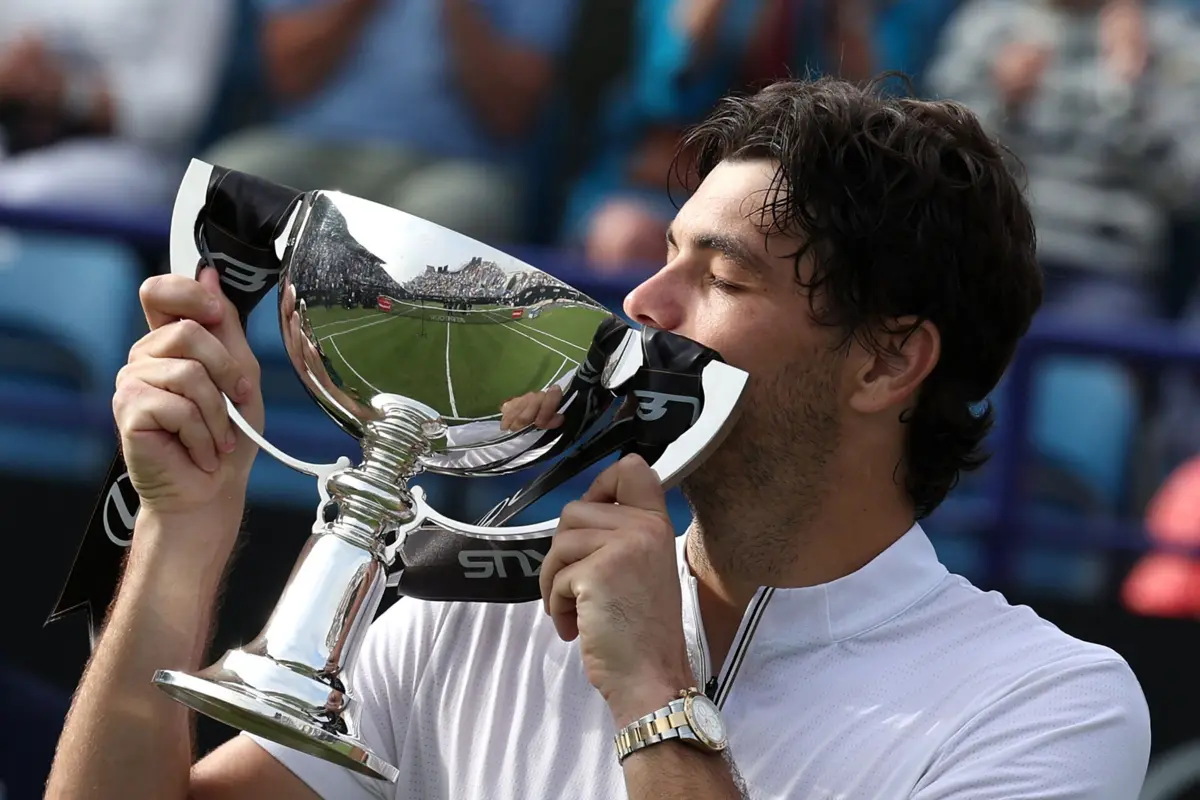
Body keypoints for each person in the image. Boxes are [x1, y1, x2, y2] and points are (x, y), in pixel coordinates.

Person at [45, 77, 1150, 799]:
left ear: (886, 360)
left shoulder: (1046, 701)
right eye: (665, 255)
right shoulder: (469, 620)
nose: (646, 307)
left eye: (719, 277)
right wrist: (180, 540)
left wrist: (653, 694)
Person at [202, 0, 580, 246]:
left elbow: (512, 113)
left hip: (450, 171)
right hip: (311, 150)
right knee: (230, 181)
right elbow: (286, 77)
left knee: (440, 225)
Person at [927, 0, 1200, 324]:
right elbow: (939, 165)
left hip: (1109, 270)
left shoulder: (1171, 42)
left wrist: (1128, 98)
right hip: (990, 255)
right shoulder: (986, 24)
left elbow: (1188, 188)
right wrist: (1003, 105)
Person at [562, 0, 873, 272]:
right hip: (654, 189)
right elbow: (665, 90)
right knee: (631, 237)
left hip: (789, 191)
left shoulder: (834, 12)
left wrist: (847, 18)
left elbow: (866, 112)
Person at [0, 0, 231, 212]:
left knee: (21, 192)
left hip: (130, 156)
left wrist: (70, 94)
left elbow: (177, 113)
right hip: (15, 137)